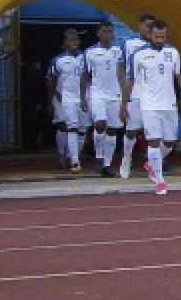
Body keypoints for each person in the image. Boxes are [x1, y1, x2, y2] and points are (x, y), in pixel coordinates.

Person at [121, 19, 181, 196]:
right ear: (150, 35)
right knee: (153, 140)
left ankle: (153, 163)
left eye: (163, 36)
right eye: (157, 36)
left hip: (169, 103)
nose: (160, 39)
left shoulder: (173, 52)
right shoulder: (138, 55)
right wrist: (124, 104)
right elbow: (129, 80)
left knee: (169, 142)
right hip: (149, 104)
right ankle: (159, 180)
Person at [82, 21, 124, 177]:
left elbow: (122, 74)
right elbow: (85, 75)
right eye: (105, 31)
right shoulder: (90, 52)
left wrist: (125, 96)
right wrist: (83, 97)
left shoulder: (118, 51)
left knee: (112, 129)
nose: (108, 34)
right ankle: (99, 157)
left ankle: (107, 164)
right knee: (100, 124)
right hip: (97, 93)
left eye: (110, 31)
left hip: (115, 95)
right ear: (98, 33)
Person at [118, 14, 155, 179]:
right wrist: (123, 89)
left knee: (153, 133)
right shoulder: (128, 44)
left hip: (154, 94)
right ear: (139, 26)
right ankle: (126, 159)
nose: (149, 29)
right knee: (131, 130)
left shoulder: (159, 45)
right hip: (135, 92)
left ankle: (152, 164)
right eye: (147, 25)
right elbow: (121, 67)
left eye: (152, 26)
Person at [48, 28, 87, 175]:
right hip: (65, 97)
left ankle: (73, 153)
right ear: (65, 43)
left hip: (83, 98)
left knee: (83, 129)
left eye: (76, 39)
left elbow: (88, 78)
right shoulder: (58, 60)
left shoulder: (85, 57)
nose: (74, 42)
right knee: (68, 126)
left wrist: (85, 97)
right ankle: (71, 159)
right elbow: (51, 81)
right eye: (70, 40)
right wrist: (51, 99)